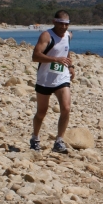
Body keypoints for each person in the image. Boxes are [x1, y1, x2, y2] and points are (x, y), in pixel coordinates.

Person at [30, 10, 74, 153]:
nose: (64, 27)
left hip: (62, 77)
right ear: (54, 22)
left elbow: (66, 51)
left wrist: (71, 66)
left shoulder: (69, 35)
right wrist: (55, 59)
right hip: (45, 79)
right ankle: (35, 138)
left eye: (66, 24)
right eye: (61, 23)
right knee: (41, 112)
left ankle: (59, 141)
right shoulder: (46, 35)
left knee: (66, 108)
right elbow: (35, 56)